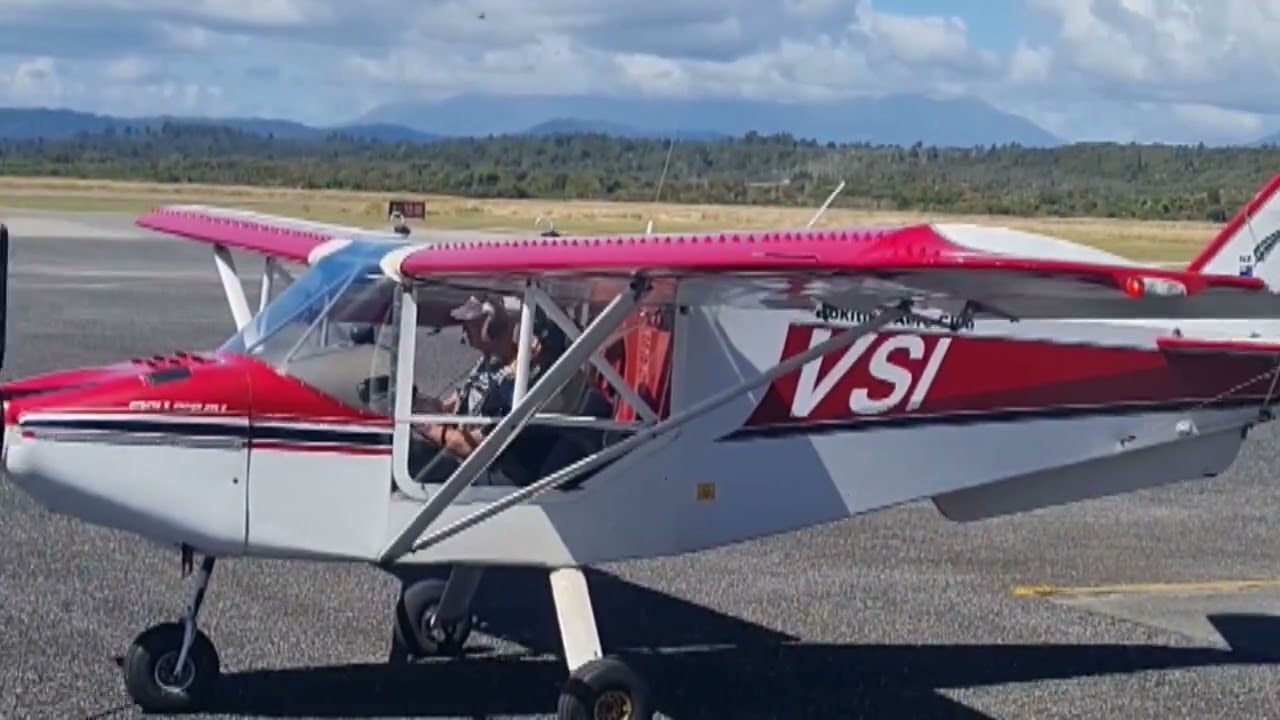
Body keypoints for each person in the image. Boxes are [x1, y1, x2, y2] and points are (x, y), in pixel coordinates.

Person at [410, 295, 569, 483]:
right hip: (465, 460)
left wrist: (424, 426)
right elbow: (452, 405)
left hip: (490, 475)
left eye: (470, 324)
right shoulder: (487, 363)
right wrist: (416, 403)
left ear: (492, 327)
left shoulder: (515, 383)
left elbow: (468, 447)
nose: (464, 331)